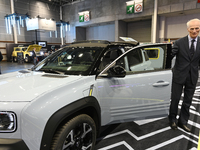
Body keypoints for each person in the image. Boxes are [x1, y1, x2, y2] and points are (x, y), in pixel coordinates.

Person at [168, 18, 200, 132]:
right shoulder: (179, 42)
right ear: (188, 29)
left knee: (188, 101)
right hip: (179, 76)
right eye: (192, 29)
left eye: (197, 28)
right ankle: (172, 119)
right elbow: (169, 57)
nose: (195, 31)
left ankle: (183, 122)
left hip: (192, 77)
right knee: (175, 99)